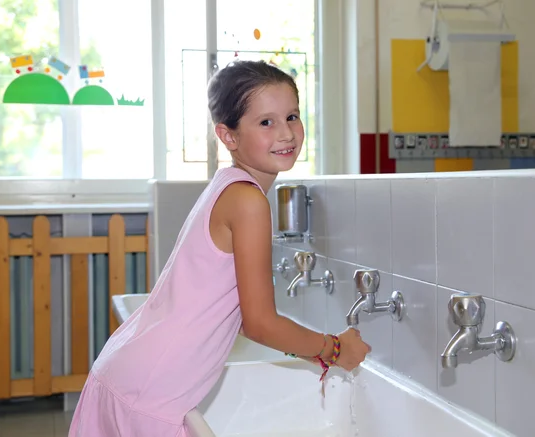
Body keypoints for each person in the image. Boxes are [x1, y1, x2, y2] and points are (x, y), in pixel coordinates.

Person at [68, 60, 371, 436]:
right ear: (228, 136)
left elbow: (241, 317)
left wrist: (311, 348)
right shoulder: (248, 201)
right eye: (266, 122)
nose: (287, 133)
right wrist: (333, 348)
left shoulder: (227, 185)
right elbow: (260, 323)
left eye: (292, 116)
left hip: (128, 371)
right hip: (149, 392)